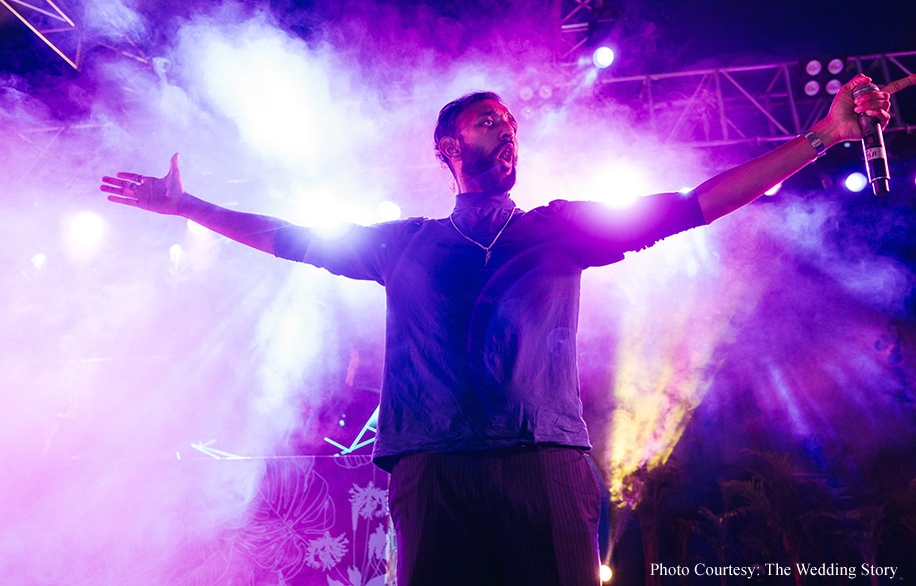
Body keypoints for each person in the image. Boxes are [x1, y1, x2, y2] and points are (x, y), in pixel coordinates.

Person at [102, 74, 896, 586]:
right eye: (489, 122)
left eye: (512, 122)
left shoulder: (560, 230)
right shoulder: (402, 242)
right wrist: (189, 207)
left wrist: (821, 138)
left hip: (543, 466)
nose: (507, 130)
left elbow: (696, 204)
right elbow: (289, 236)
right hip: (434, 473)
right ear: (449, 148)